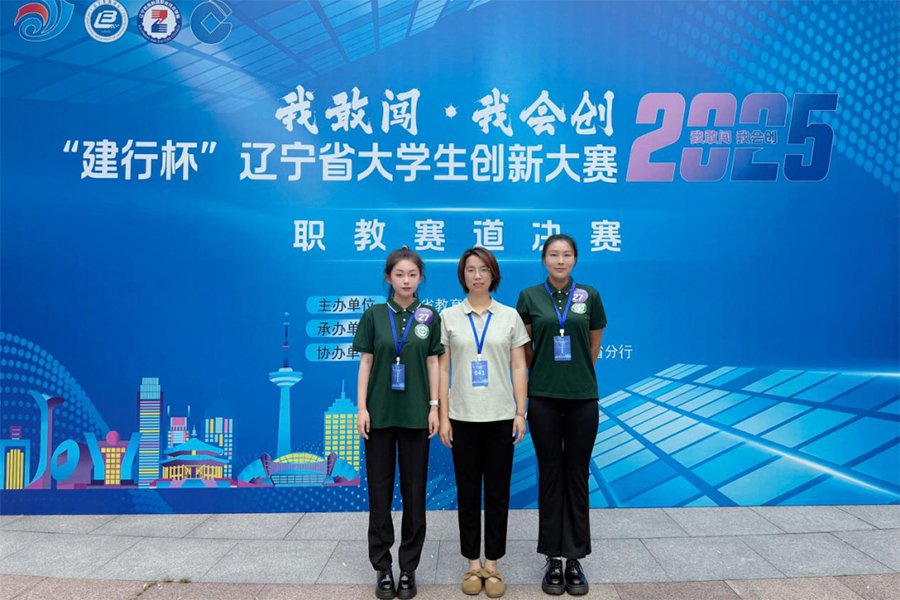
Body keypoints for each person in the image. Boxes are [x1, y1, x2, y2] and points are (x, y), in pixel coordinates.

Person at [515, 234, 607, 596]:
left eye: (567, 254)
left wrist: (578, 372)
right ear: (544, 259)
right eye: (553, 254)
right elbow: (525, 349)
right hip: (543, 398)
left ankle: (575, 558)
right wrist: (545, 374)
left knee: (578, 475)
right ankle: (552, 558)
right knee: (551, 474)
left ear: (575, 259)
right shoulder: (529, 297)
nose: (560, 260)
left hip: (583, 398)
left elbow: (594, 343)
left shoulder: (589, 295)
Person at [353, 246, 443, 600]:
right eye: (399, 274)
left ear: (421, 278)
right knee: (379, 493)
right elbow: (366, 362)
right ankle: (382, 567)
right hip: (379, 416)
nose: (406, 281)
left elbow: (434, 363)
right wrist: (362, 408)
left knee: (414, 493)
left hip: (416, 416)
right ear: (388, 278)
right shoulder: (374, 315)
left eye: (412, 275)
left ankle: (408, 568)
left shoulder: (429, 316)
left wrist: (434, 407)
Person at [438, 247, 529, 598]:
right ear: (462, 276)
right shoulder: (449, 317)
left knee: (497, 493)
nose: (477, 276)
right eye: (470, 270)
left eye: (484, 269)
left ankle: (492, 564)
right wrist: (443, 415)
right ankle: (472, 564)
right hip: (462, 417)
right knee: (467, 493)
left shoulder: (509, 316)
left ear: (494, 275)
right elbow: (443, 369)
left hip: (501, 417)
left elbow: (519, 366)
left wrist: (520, 412)